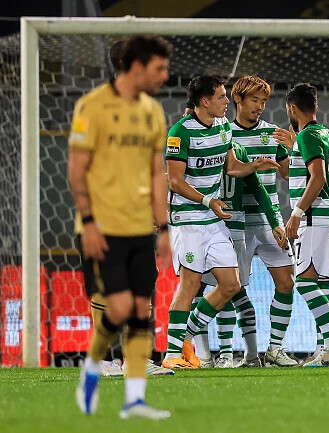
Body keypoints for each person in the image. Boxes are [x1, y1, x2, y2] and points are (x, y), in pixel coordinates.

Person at [70, 34, 173, 419]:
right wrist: (90, 222)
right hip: (102, 226)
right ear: (137, 66)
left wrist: (163, 228)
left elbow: (156, 174)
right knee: (119, 306)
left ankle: (134, 399)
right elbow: (76, 171)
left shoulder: (153, 112)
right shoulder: (91, 107)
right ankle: (93, 366)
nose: (165, 75)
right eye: (159, 68)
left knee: (141, 309)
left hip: (140, 227)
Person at [161, 75, 280, 368]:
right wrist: (207, 200)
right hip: (188, 220)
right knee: (189, 285)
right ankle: (171, 355)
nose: (227, 102)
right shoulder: (180, 133)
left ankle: (184, 337)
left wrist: (254, 165)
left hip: (213, 220)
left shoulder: (224, 127)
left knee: (230, 284)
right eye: (222, 97)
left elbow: (232, 167)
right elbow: (175, 182)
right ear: (205, 101)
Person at [230, 76, 298, 367]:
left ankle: (275, 348)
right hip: (236, 221)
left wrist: (293, 149)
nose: (259, 107)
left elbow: (286, 174)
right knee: (232, 287)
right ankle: (248, 352)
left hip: (271, 220)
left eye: (263, 101)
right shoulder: (225, 134)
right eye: (254, 100)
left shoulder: (273, 134)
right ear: (238, 100)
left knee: (286, 281)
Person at [284, 83, 329, 367]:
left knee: (305, 285)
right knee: (322, 285)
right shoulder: (327, 134)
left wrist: (296, 213)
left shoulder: (308, 135)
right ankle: (326, 350)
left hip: (311, 218)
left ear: (292, 108)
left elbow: (318, 177)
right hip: (326, 216)